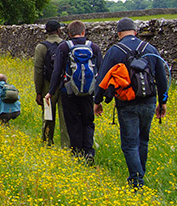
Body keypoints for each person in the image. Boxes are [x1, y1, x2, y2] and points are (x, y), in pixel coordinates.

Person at [94, 17, 168, 189]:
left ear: (119, 33)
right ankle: (139, 176)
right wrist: (162, 102)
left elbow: (102, 78)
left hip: (127, 103)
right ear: (135, 31)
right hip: (149, 101)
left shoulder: (115, 51)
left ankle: (136, 181)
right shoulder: (150, 48)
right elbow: (162, 79)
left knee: (129, 143)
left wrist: (97, 101)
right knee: (143, 140)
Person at [45, 21, 102, 163]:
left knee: (73, 122)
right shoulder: (93, 47)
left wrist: (51, 92)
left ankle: (77, 154)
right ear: (83, 32)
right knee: (88, 122)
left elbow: (57, 71)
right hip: (89, 92)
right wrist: (100, 95)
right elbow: (100, 71)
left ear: (69, 34)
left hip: (68, 91)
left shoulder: (64, 47)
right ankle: (89, 151)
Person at [34, 20, 69, 147]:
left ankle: (47, 141)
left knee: (48, 115)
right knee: (65, 116)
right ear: (59, 30)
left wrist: (38, 91)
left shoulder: (41, 47)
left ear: (46, 31)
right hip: (64, 84)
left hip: (47, 85)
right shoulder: (66, 45)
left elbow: (38, 70)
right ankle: (66, 144)